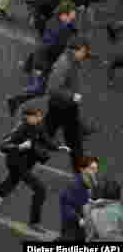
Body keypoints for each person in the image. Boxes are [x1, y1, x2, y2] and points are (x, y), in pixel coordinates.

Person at [0, 106, 63, 232]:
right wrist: (20, 147)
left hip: (25, 164)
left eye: (40, 116)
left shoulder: (37, 126)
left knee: (7, 186)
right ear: (28, 117)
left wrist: (58, 147)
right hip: (16, 163)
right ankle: (34, 222)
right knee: (40, 189)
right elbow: (3, 146)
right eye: (37, 116)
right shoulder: (21, 128)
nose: (39, 119)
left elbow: (46, 139)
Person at [45, 38, 92, 166]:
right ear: (77, 50)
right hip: (62, 106)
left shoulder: (73, 60)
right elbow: (52, 88)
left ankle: (33, 149)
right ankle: (81, 170)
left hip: (65, 106)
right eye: (84, 52)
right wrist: (72, 96)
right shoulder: (64, 63)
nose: (85, 56)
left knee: (49, 129)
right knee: (73, 140)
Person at [60, 156, 99, 241]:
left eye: (96, 169)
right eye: (92, 169)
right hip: (73, 224)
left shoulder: (93, 182)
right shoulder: (74, 185)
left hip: (85, 223)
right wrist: (79, 219)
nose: (95, 172)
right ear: (82, 169)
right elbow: (67, 206)